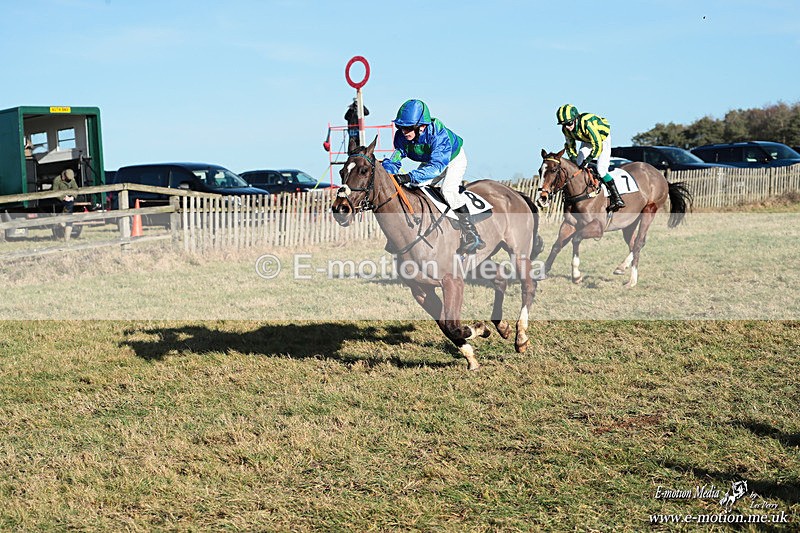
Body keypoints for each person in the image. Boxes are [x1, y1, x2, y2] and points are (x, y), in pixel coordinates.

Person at [382, 99, 485, 255]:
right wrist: (387, 172)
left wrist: (408, 176)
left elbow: (436, 168)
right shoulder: (402, 137)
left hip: (452, 160)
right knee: (414, 189)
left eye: (408, 128)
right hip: (432, 161)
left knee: (448, 191)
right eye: (401, 127)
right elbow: (397, 157)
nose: (404, 132)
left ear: (421, 127)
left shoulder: (438, 135)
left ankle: (472, 234)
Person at [556, 104, 625, 211]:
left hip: (602, 139)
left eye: (569, 123)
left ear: (575, 119)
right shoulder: (566, 130)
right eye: (563, 124)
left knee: (601, 170)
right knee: (578, 167)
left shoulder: (587, 124)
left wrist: (587, 160)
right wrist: (574, 160)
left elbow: (597, 145)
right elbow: (570, 147)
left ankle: (617, 198)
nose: (567, 127)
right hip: (587, 140)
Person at [52, 168, 79, 240]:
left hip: (70, 199)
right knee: (69, 210)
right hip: (60, 199)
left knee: (70, 212)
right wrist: (63, 197)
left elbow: (75, 189)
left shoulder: (72, 180)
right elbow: (55, 191)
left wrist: (73, 197)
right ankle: (63, 220)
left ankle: (67, 238)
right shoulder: (57, 180)